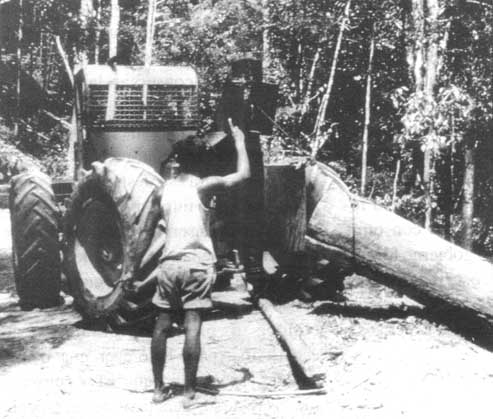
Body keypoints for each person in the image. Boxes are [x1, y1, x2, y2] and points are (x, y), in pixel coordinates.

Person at [134, 118, 250, 407]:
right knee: (193, 325)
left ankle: (158, 389)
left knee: (161, 325)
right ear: (202, 161)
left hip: (169, 266)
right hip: (197, 265)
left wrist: (129, 271)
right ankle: (188, 393)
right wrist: (240, 142)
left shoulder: (162, 190)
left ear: (179, 161)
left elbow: (144, 234)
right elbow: (243, 174)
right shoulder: (205, 187)